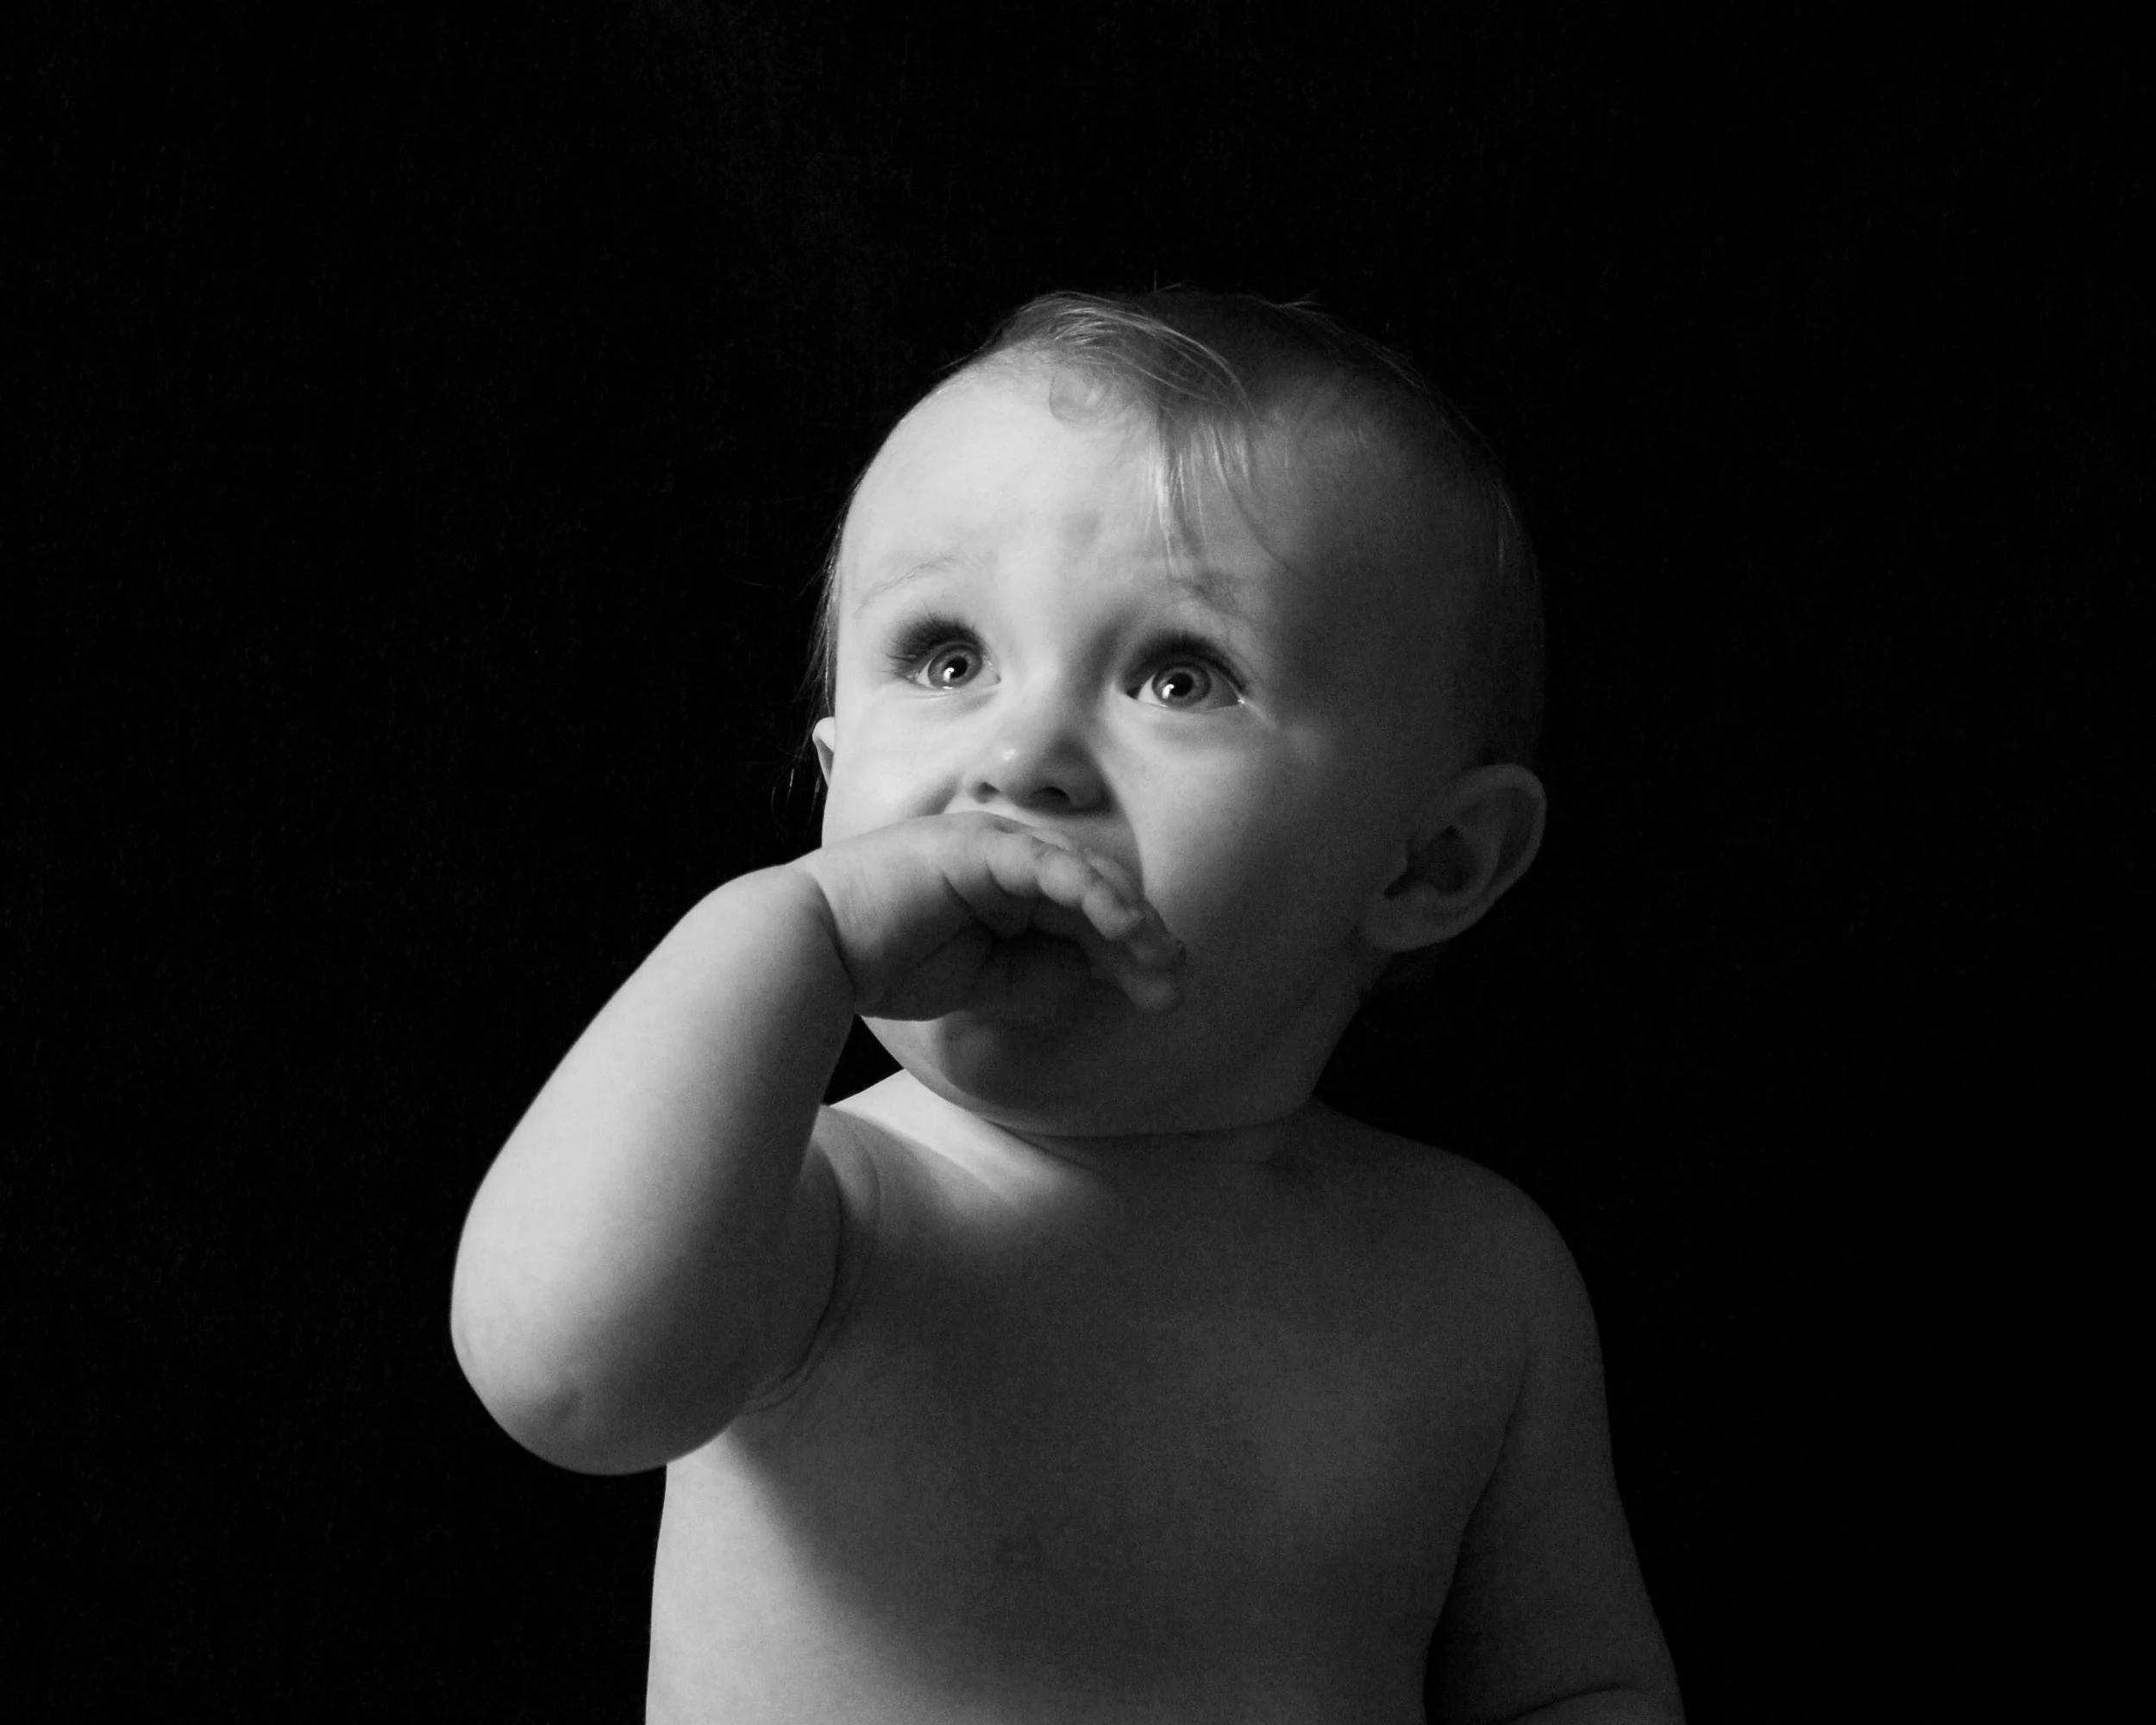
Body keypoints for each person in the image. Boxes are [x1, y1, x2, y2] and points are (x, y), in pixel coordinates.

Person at [450, 290, 1683, 1723]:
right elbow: (571, 1381)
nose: (1020, 756)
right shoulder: (820, 1209)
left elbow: (1571, 1683)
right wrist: (789, 928)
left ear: (1431, 862)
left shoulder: (1475, 1278)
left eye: (1180, 675)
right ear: (834, 776)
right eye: (947, 659)